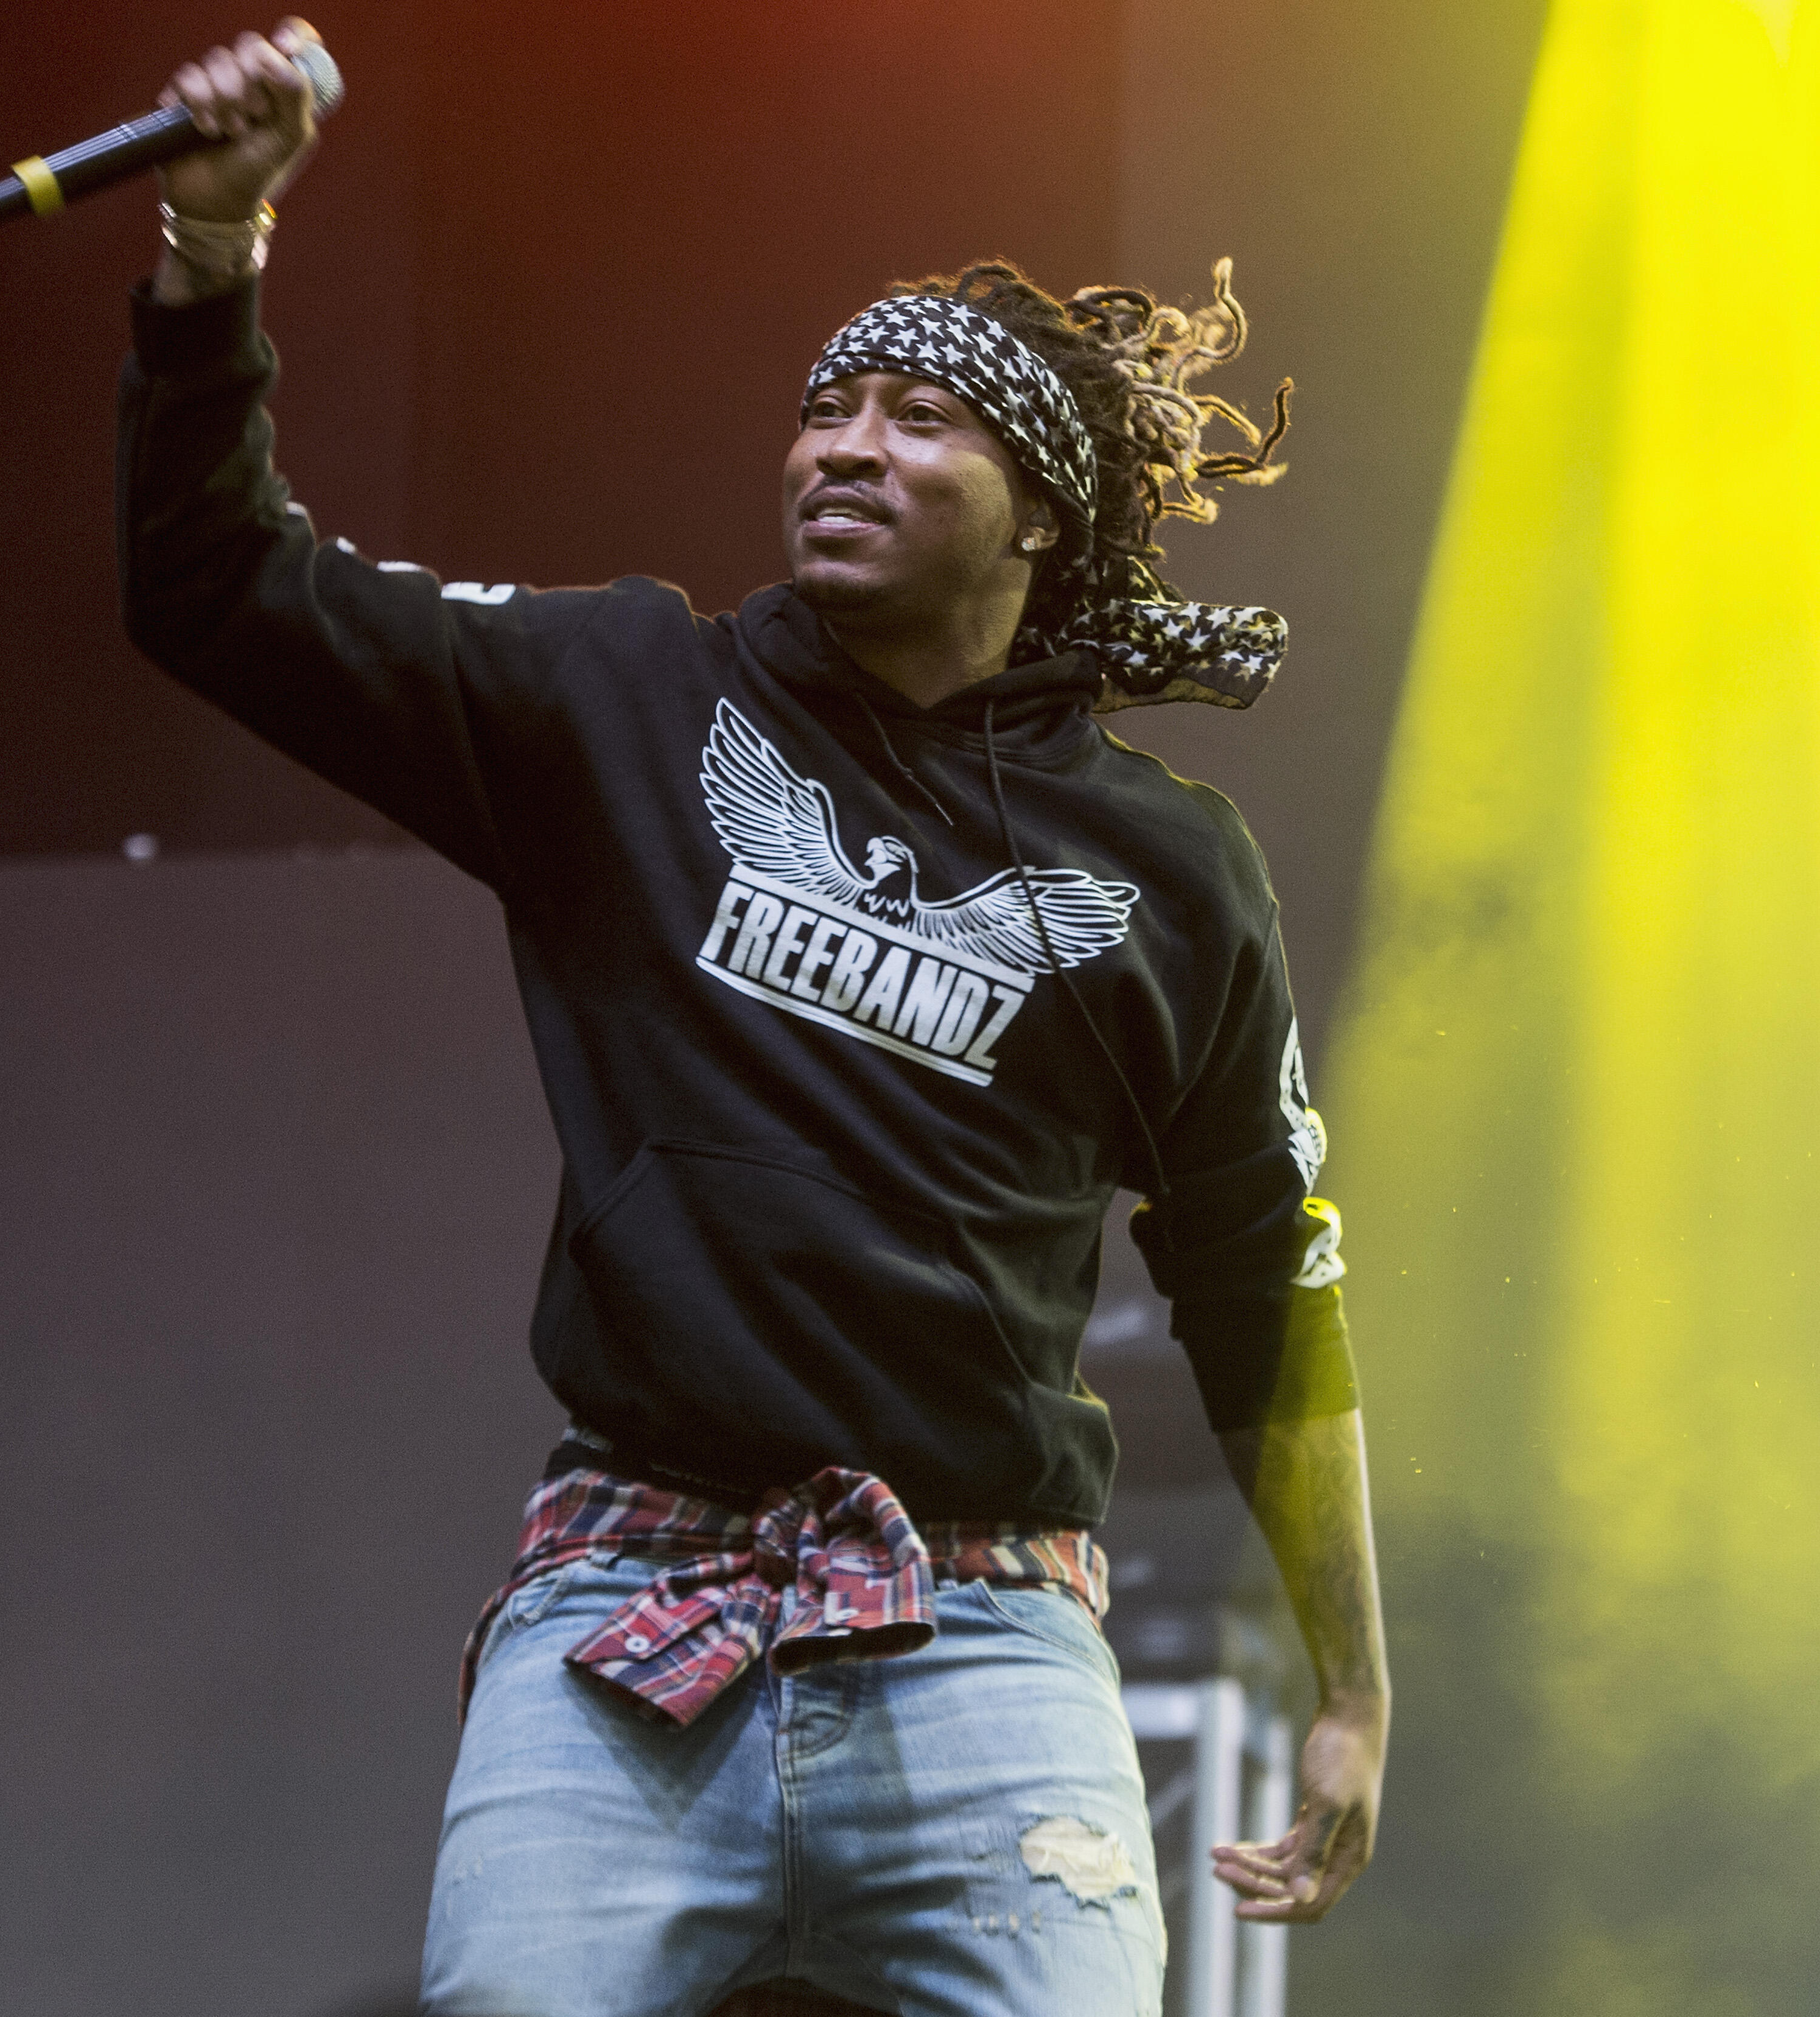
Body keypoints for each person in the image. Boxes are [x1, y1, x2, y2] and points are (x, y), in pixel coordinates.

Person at [118, 23, 1388, 2016]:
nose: (843, 447)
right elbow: (220, 589)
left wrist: (1352, 1680)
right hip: (632, 1599)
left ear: (1038, 513)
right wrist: (216, 243)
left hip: (979, 1632)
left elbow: (1266, 1288)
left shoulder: (1166, 869)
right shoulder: (625, 697)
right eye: (826, 410)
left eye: (916, 422)